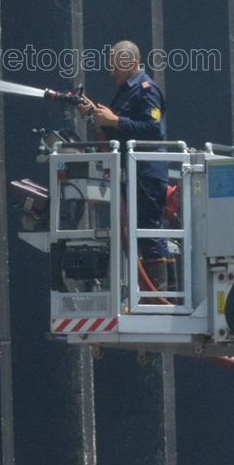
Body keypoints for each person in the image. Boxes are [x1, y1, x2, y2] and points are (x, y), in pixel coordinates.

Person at [81, 40, 173, 292]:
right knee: (139, 230)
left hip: (146, 171)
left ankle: (161, 295)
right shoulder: (126, 91)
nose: (110, 70)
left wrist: (115, 121)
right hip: (132, 172)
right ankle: (157, 294)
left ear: (131, 62)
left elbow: (154, 129)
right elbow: (117, 127)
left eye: (115, 64)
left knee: (149, 229)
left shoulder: (146, 89)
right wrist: (96, 115)